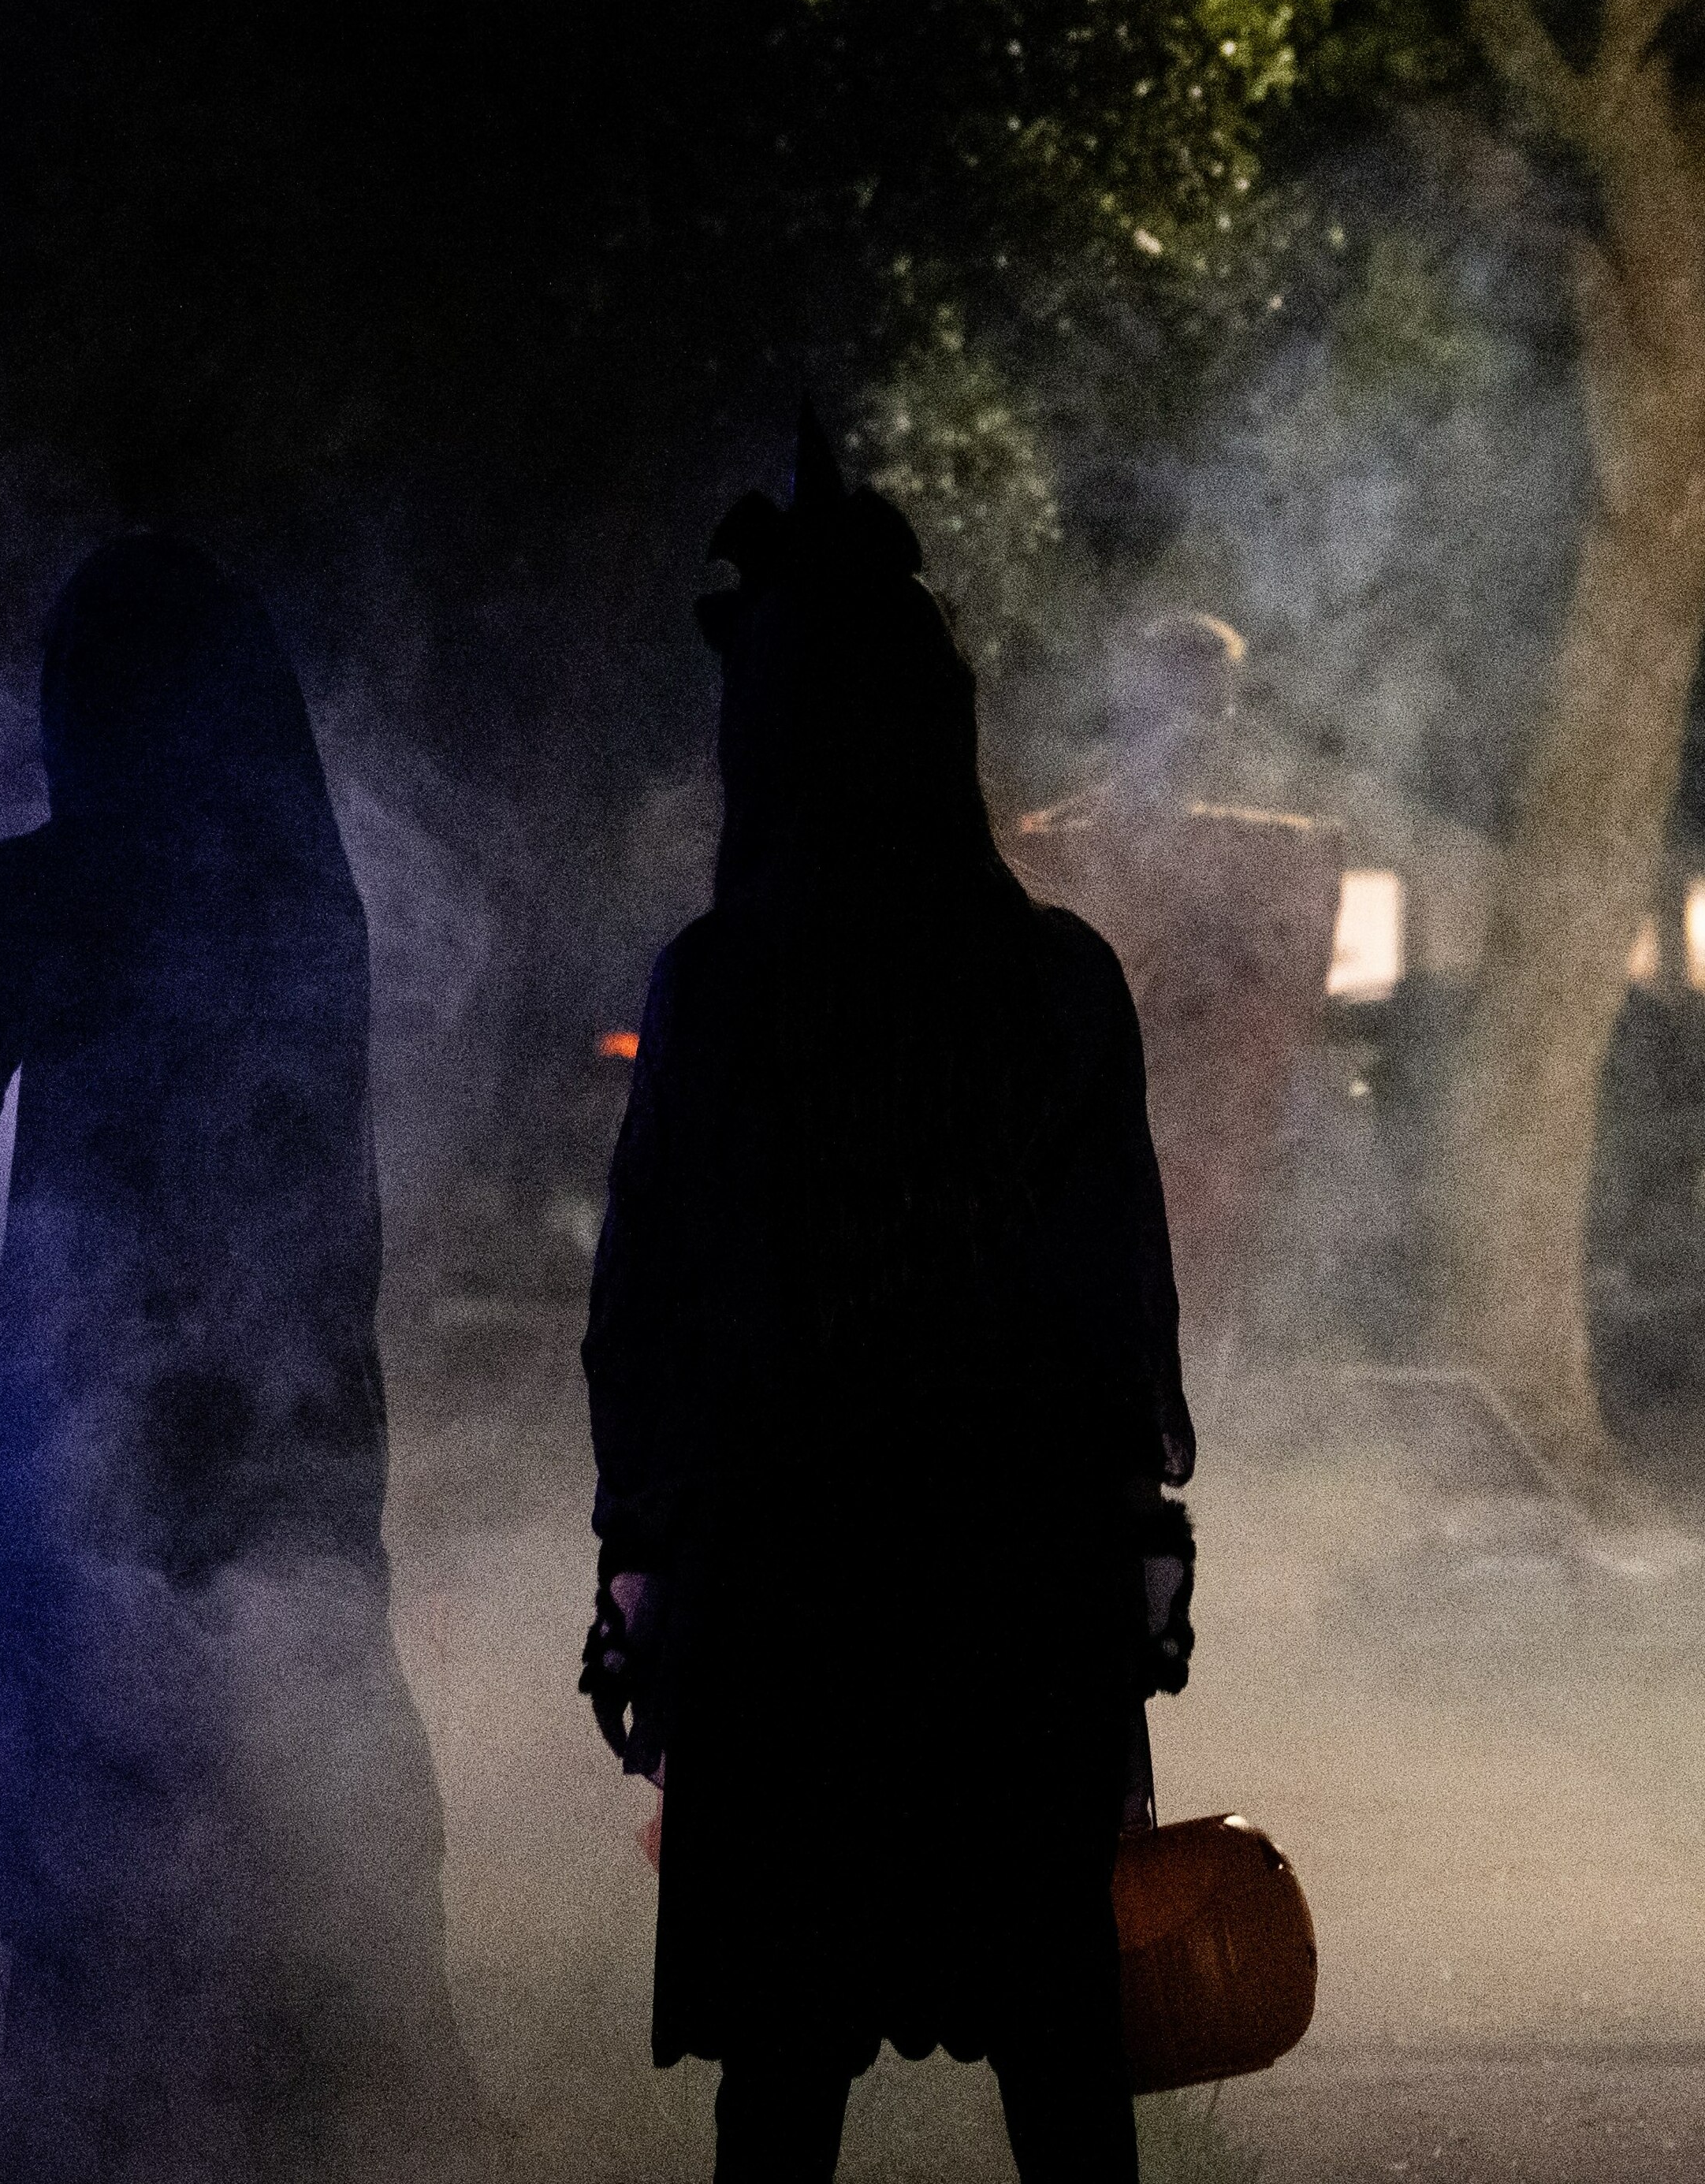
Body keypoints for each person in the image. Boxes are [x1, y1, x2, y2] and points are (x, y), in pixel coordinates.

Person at [0, 539, 478, 2179]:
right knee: (285, 1710)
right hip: (287, 1399)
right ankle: (343, 2083)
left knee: (99, 1750)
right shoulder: (300, 900)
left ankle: (105, 2100)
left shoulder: (48, 892)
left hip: (98, 1407)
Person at [583, 435, 1195, 2184]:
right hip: (1014, 1587)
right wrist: (1131, 1533)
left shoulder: (718, 992)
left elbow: (647, 1307)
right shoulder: (1055, 982)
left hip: (788, 1588)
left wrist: (640, 1549)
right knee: (1062, 2062)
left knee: (781, 2072)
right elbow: (1110, 1292)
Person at [1001, 612, 1341, 1361]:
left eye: (1221, 703)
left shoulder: (1245, 854)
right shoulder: (1067, 846)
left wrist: (1294, 1089)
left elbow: (1274, 998)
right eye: (1197, 699)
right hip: (1097, 1146)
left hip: (1201, 1150)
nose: (1211, 725)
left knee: (1195, 1327)